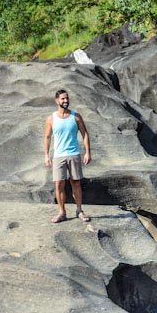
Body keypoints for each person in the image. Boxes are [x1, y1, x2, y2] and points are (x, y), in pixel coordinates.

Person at [43, 89, 92, 224]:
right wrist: (46, 155)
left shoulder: (76, 117)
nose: (66, 101)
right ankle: (62, 212)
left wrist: (88, 152)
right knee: (59, 184)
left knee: (75, 182)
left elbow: (85, 134)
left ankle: (79, 210)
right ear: (57, 101)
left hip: (74, 154)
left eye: (67, 98)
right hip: (59, 156)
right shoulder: (51, 118)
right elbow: (47, 137)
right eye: (63, 99)